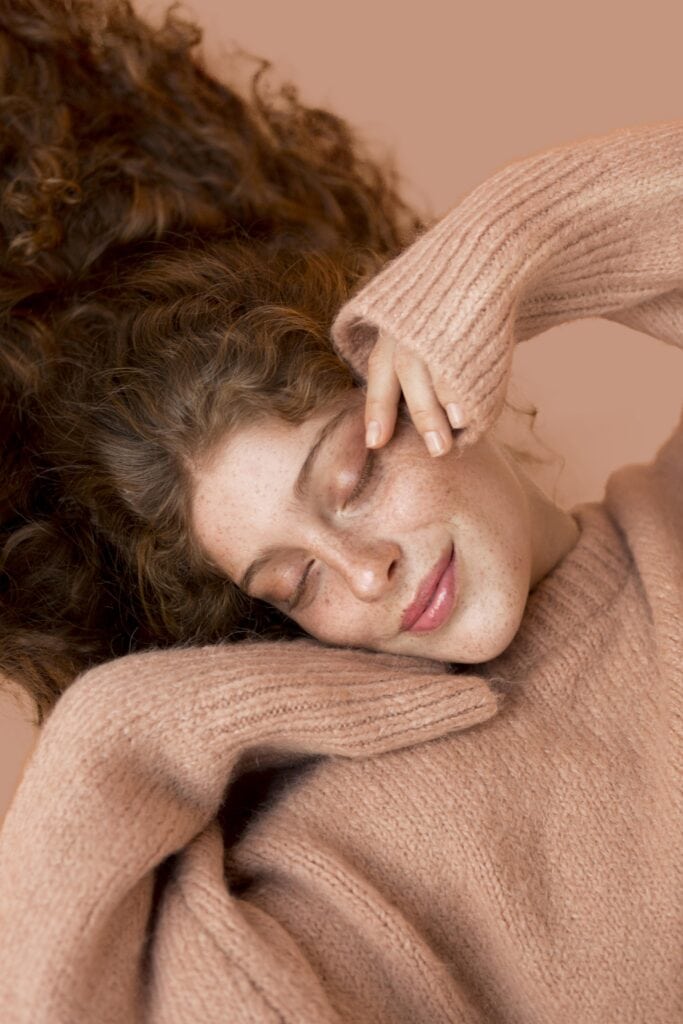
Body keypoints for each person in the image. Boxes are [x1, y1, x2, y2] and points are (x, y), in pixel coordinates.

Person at [0, 2, 681, 1022]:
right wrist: (110, 743)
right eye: (295, 580)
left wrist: (514, 244)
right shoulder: (324, 855)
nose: (364, 573)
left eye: (353, 479)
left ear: (425, 364)